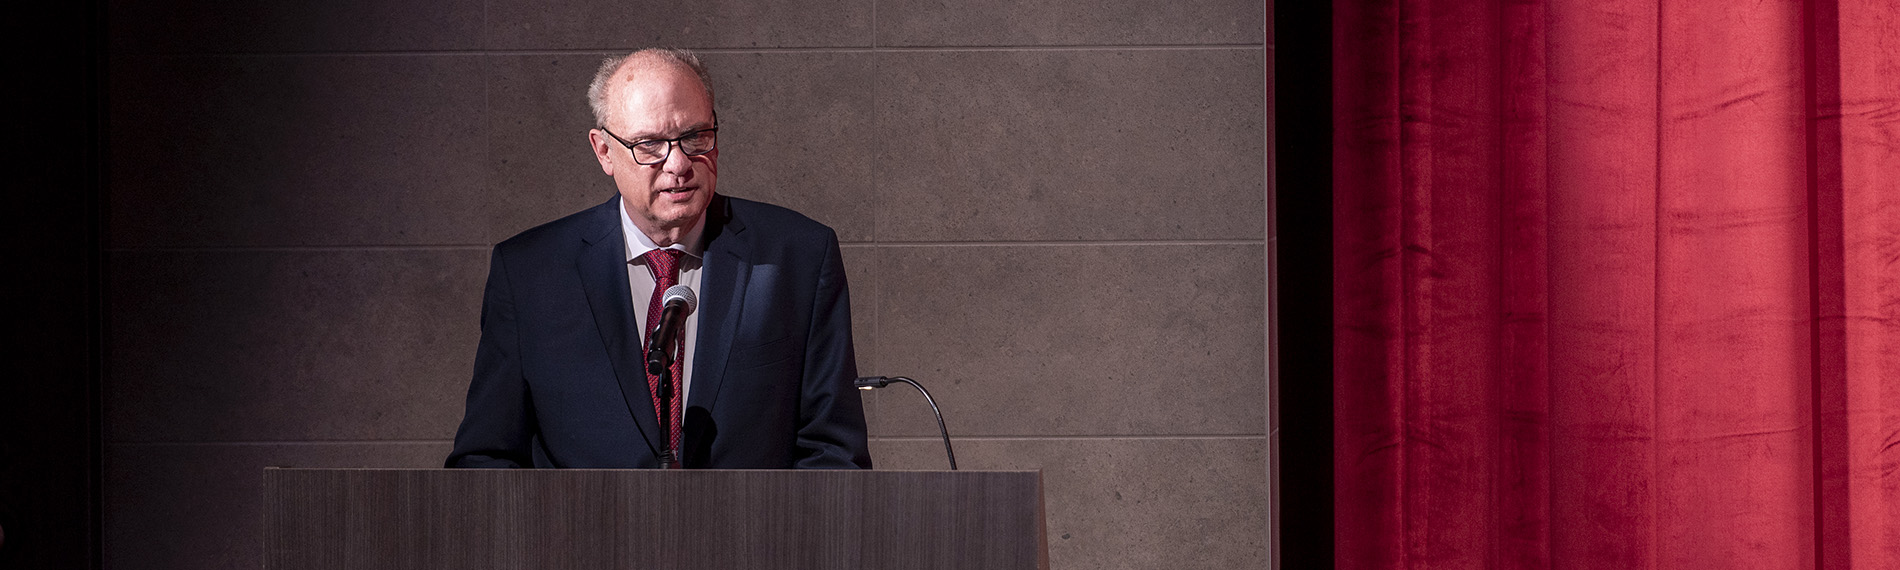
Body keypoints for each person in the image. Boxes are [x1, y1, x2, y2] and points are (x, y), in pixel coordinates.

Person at [446, 48, 871, 469]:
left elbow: (834, 455)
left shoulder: (798, 257)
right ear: (604, 152)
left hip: (754, 535)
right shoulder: (529, 274)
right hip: (579, 536)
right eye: (650, 144)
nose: (680, 163)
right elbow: (486, 459)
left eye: (695, 137)